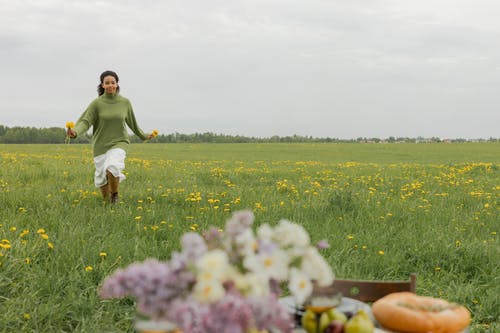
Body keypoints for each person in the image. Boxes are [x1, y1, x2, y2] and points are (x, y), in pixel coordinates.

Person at [67, 70, 154, 203]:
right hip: (100, 145)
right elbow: (85, 121)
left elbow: (132, 123)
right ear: (102, 85)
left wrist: (144, 136)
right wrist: (75, 132)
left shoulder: (125, 103)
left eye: (113, 82)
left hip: (120, 142)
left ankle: (115, 196)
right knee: (102, 179)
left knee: (112, 167)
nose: (110, 85)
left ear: (117, 84)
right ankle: (109, 202)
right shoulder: (97, 103)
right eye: (107, 83)